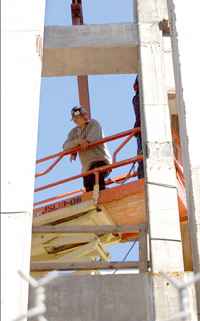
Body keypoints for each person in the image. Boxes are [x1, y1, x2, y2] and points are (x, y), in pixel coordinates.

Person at [63, 106, 112, 192]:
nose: (76, 120)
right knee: (88, 188)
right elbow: (65, 147)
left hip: (100, 161)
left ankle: (103, 196)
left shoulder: (94, 124)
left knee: (96, 179)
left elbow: (90, 142)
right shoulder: (73, 132)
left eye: (82, 115)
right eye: (75, 118)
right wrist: (79, 141)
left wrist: (75, 147)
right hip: (87, 167)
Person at [132, 76, 144, 179]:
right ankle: (142, 176)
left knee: (142, 155)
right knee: (142, 155)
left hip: (142, 130)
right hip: (142, 130)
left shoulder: (137, 98)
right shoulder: (138, 98)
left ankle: (142, 176)